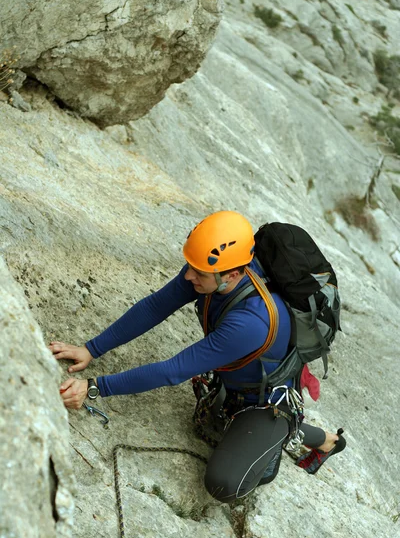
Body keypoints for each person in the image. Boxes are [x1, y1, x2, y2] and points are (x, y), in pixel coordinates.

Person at [50, 211, 346, 502]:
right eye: (190, 266)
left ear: (232, 274)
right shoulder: (212, 270)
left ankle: (292, 434)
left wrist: (93, 387)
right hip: (236, 381)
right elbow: (156, 307)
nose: (188, 275)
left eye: (198, 273)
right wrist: (92, 348)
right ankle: (323, 439)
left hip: (265, 403)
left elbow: (173, 370)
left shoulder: (252, 322)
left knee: (224, 483)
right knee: (224, 424)